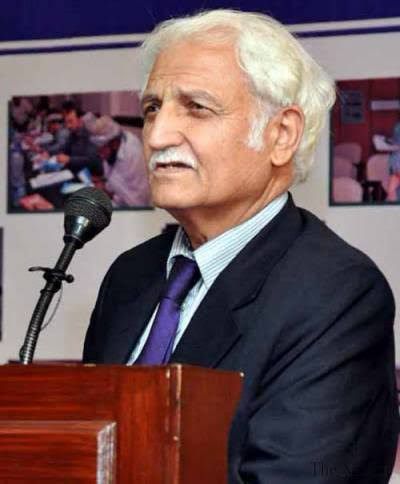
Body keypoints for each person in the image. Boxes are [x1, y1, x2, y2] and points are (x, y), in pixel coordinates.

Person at [83, 10, 398, 483]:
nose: (157, 135)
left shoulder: (337, 294)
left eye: (196, 107)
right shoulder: (130, 275)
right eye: (151, 109)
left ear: (281, 135)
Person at [89, 115, 151, 207]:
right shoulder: (113, 149)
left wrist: (107, 192)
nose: (100, 155)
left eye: (102, 149)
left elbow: (139, 202)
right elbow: (112, 185)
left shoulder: (133, 154)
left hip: (137, 210)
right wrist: (103, 186)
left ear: (114, 144)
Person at [57, 101, 103, 176]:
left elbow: (92, 161)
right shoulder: (72, 134)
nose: (68, 126)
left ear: (80, 120)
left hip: (89, 176)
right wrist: (61, 155)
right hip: (74, 173)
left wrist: (69, 160)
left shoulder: (89, 134)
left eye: (71, 122)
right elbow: (65, 150)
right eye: (66, 122)